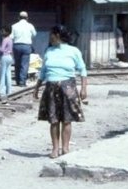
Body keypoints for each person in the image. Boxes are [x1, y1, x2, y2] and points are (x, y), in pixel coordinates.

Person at [34, 24, 88, 158]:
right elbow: (43, 72)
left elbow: (82, 70)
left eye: (51, 35)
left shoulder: (73, 51)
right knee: (53, 120)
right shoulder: (49, 51)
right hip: (51, 87)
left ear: (57, 35)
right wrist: (37, 88)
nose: (49, 38)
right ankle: (55, 149)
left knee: (67, 120)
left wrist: (84, 88)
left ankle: (65, 148)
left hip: (68, 87)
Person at [11, 11, 36, 86]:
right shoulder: (30, 25)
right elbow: (34, 34)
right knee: (24, 64)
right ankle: (22, 82)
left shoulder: (14, 26)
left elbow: (11, 36)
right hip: (26, 46)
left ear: (18, 18)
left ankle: (17, 81)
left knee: (17, 64)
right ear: (27, 18)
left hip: (16, 46)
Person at [0, 26, 14, 102]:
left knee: (2, 74)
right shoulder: (10, 39)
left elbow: (2, 49)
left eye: (3, 31)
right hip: (10, 57)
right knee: (8, 74)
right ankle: (9, 90)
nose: (1, 32)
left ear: (7, 32)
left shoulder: (4, 39)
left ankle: (1, 91)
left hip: (4, 57)